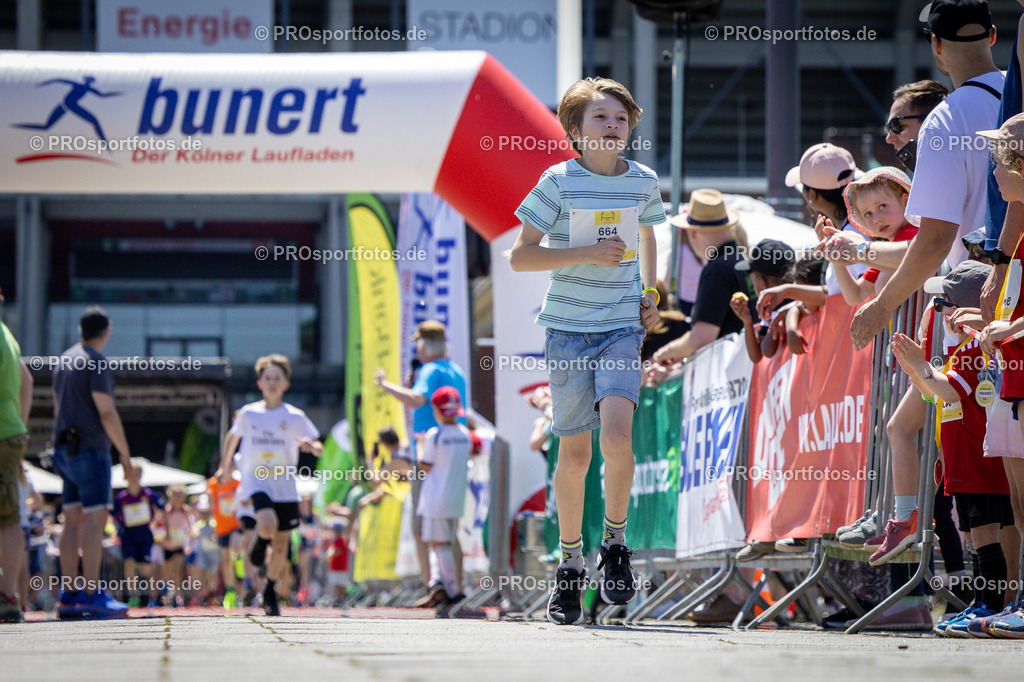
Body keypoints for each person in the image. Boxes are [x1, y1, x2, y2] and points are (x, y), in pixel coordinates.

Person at [510, 76, 664, 625]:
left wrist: (651, 297)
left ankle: (616, 546)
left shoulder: (643, 181)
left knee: (619, 436)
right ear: (576, 131)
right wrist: (586, 253)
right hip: (568, 331)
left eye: (621, 118)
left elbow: (648, 238)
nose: (614, 126)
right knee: (575, 456)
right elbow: (519, 258)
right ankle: (570, 563)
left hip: (622, 327)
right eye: (601, 118)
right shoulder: (557, 181)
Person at [847, 0, 1003, 349]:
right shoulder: (1018, 96)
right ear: (992, 36)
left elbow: (935, 239)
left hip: (981, 303)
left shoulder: (946, 120)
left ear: (936, 44)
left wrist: (882, 306)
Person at [889, 261, 1012, 636]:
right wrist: (917, 371)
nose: (938, 311)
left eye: (943, 303)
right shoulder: (966, 347)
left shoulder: (977, 346)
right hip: (964, 459)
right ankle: (983, 601)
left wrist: (920, 366)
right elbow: (933, 395)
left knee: (985, 534)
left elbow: (947, 389)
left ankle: (991, 603)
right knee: (976, 535)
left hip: (979, 459)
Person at [216, 354, 322, 616]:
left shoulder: (295, 416)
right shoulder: (249, 413)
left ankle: (271, 590)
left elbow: (317, 445)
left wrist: (311, 447)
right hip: (256, 479)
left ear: (286, 383)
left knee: (283, 545)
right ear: (259, 382)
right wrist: (225, 465)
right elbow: (233, 435)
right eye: (268, 378)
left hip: (284, 484)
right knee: (266, 523)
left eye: (278, 378)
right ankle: (259, 545)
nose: (272, 382)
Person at [374, 320, 467, 594]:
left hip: (428, 454)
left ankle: (434, 585)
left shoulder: (429, 369)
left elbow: (417, 399)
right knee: (450, 526)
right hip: (455, 452)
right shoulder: (457, 371)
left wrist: (385, 386)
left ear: (423, 345)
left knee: (420, 525)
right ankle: (455, 586)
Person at [52, 305, 131, 620]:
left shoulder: (64, 360)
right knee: (95, 521)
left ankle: (69, 595)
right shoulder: (96, 361)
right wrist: (123, 452)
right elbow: (107, 411)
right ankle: (93, 594)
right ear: (106, 332)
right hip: (90, 448)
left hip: (63, 449)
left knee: (71, 521)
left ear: (80, 330)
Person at [653, 189, 753, 371]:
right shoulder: (742, 261)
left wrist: (663, 354)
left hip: (731, 375)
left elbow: (701, 338)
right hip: (747, 370)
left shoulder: (717, 270)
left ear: (693, 233)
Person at [416, 387, 472, 608]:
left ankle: (453, 591)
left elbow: (425, 465)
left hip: (435, 497)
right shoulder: (464, 434)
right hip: (455, 496)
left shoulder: (435, 434)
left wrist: (420, 445)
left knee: (439, 545)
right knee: (443, 542)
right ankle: (439, 584)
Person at [0, 287, 32, 623]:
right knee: (9, 517)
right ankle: (8, 597)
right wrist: (20, 427)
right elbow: (27, 379)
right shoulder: (7, 335)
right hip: (9, 434)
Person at [730, 239, 795, 363]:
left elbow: (767, 351)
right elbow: (756, 356)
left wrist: (771, 323)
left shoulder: (785, 309)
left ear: (761, 282)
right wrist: (747, 321)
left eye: (752, 279)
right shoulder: (771, 309)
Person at [111, 458, 163, 607]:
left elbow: (162, 509)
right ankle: (133, 595)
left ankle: (149, 596)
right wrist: (114, 529)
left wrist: (156, 524)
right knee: (129, 563)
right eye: (131, 474)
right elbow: (113, 515)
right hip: (128, 534)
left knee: (146, 568)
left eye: (137, 474)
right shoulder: (121, 497)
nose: (134, 477)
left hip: (145, 533)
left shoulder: (148, 494)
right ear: (126, 476)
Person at [206, 470, 242, 608]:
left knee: (235, 549)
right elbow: (210, 501)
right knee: (225, 560)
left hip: (236, 525)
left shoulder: (237, 483)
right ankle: (230, 589)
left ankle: (240, 573)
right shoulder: (214, 484)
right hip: (221, 527)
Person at [161, 485, 195, 607]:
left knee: (177, 569)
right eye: (175, 494)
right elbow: (158, 523)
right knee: (167, 572)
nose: (177, 497)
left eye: (180, 494)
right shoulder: (166, 510)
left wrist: (193, 533)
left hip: (180, 545)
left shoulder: (185, 510)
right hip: (168, 545)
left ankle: (176, 594)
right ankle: (167, 594)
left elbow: (191, 525)